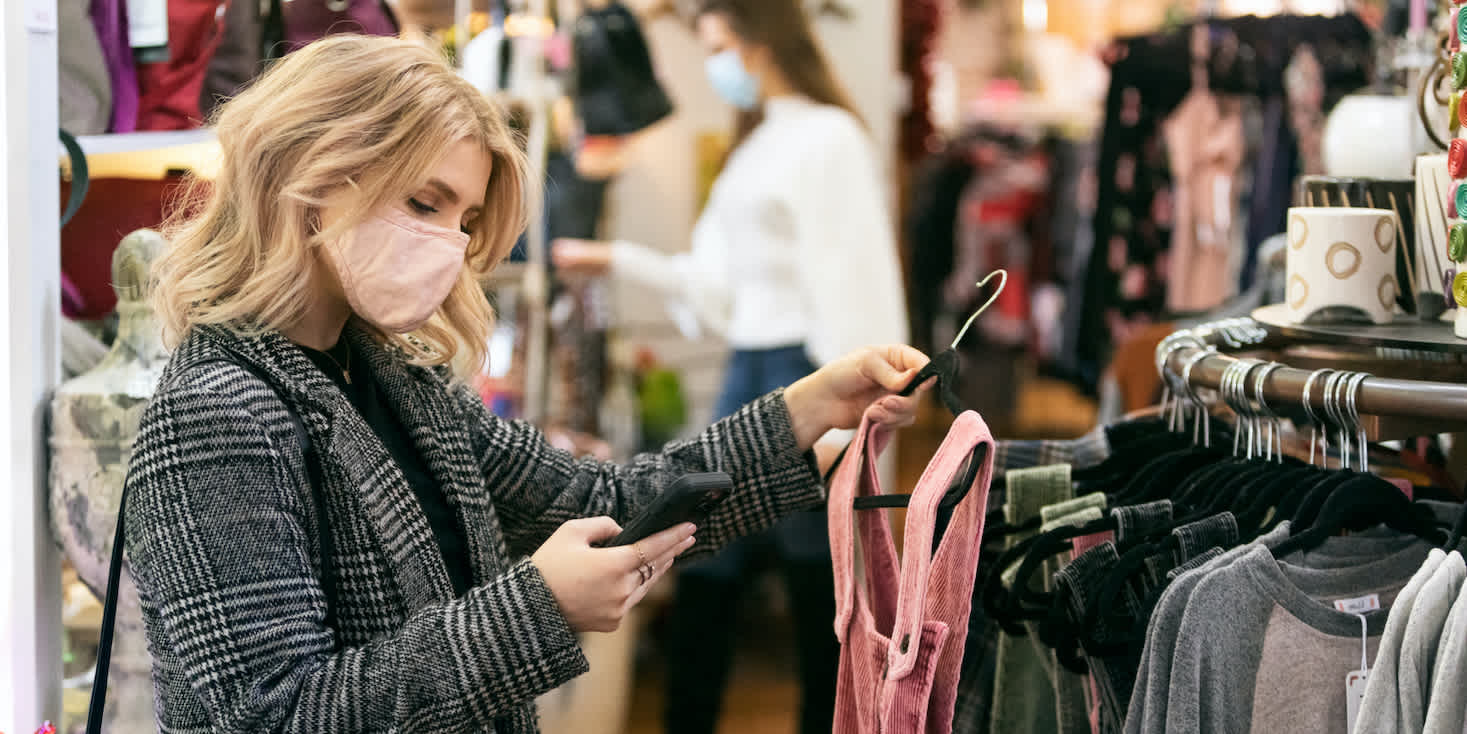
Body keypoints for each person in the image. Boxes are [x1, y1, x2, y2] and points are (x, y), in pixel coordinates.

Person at [122, 34, 928, 734]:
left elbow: (598, 498)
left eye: (464, 220)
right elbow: (275, 717)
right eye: (424, 202)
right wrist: (537, 608)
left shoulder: (400, 382)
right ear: (309, 177)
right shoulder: (214, 412)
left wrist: (809, 405)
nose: (448, 245)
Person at [552, 2, 908, 732]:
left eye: (718, 47)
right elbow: (714, 282)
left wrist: (863, 412)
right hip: (749, 373)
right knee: (706, 568)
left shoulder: (824, 138)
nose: (716, 67)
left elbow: (851, 276)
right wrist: (610, 259)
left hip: (808, 371)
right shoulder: (758, 145)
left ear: (759, 40)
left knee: (819, 592)